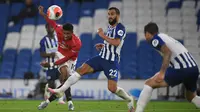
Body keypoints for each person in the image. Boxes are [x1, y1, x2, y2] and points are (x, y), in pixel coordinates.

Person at [47, 7, 135, 112]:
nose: (110, 16)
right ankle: (60, 90)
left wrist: (102, 36)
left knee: (112, 88)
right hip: (101, 58)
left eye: (112, 14)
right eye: (109, 14)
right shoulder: (110, 27)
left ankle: (129, 99)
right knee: (80, 71)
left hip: (111, 62)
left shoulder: (120, 28)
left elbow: (116, 42)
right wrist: (104, 46)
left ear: (118, 16)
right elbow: (113, 44)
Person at [135, 22, 200, 112]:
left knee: (149, 84)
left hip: (181, 68)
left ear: (148, 33)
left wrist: (162, 73)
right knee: (191, 97)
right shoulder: (166, 37)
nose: (145, 38)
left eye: (145, 34)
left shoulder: (155, 39)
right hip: (194, 68)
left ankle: (138, 110)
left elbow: (167, 52)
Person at [37, 6, 82, 111]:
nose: (65, 36)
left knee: (65, 82)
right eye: (64, 33)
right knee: (64, 75)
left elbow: (67, 59)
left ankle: (47, 102)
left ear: (72, 33)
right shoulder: (58, 29)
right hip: (61, 54)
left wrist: (52, 64)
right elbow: (49, 20)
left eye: (68, 34)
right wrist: (42, 13)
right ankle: (69, 102)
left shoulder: (77, 44)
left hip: (71, 58)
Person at [39, 23, 73, 105]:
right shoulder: (43, 41)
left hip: (60, 64)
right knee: (51, 83)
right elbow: (42, 54)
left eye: (52, 27)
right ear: (46, 28)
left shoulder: (58, 38)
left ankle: (61, 99)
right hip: (50, 65)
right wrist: (52, 54)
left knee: (63, 80)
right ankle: (48, 91)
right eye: (49, 27)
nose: (51, 28)